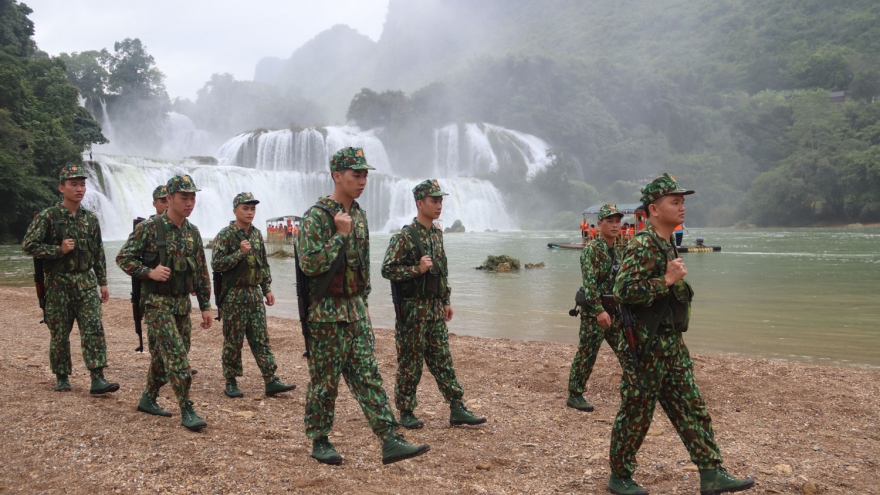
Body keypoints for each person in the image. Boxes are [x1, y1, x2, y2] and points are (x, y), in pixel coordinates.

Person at [608, 174, 753, 495]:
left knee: (692, 407)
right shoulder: (643, 244)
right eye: (675, 202)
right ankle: (619, 476)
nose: (682, 206)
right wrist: (667, 280)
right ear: (655, 210)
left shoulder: (665, 242)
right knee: (636, 413)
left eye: (683, 201)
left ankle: (711, 472)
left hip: (671, 344)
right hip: (646, 347)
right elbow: (623, 291)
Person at [295, 147, 429, 466]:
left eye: (365, 175)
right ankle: (319, 440)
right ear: (337, 176)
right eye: (356, 174)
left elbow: (362, 266)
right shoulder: (317, 216)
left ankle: (389, 438)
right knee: (325, 380)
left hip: (354, 309)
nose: (362, 180)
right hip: (326, 314)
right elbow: (309, 264)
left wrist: (364, 301)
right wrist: (340, 237)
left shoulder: (359, 214)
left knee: (368, 375)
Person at [381, 179, 487, 430]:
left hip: (435, 309)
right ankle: (406, 411)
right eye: (434, 201)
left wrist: (446, 300)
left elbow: (442, 271)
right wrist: (416, 269)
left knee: (442, 359)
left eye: (440, 201)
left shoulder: (437, 235)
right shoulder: (405, 237)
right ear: (420, 203)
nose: (439, 205)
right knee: (410, 363)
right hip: (412, 311)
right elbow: (387, 269)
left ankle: (457, 407)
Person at [116, 174, 212, 431]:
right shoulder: (149, 228)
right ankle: (187, 408)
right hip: (157, 303)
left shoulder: (193, 232)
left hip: (182, 304)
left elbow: (201, 271)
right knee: (177, 356)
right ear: (169, 199)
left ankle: (148, 398)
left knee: (163, 356)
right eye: (184, 198)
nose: (189, 203)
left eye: (193, 197)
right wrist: (149, 272)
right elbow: (123, 258)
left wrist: (205, 306)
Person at [22, 163, 119, 395]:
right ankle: (62, 376)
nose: (79, 189)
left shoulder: (90, 219)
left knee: (93, 328)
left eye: (82, 184)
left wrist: (103, 282)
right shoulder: (48, 217)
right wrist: (58, 250)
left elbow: (97, 252)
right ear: (61, 188)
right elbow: (28, 245)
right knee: (60, 333)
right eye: (73, 184)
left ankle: (98, 378)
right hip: (58, 284)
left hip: (86, 283)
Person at [211, 192, 296, 398]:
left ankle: (270, 379)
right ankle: (230, 381)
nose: (250, 212)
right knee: (233, 340)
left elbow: (263, 264)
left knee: (261, 338)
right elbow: (217, 264)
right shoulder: (226, 235)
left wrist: (266, 288)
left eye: (252, 209)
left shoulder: (257, 234)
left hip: (254, 294)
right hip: (234, 295)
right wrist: (240, 252)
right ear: (235, 211)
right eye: (245, 208)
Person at [566, 204, 626, 412]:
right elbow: (589, 283)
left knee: (627, 351)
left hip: (614, 312)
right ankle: (574, 394)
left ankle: (633, 393)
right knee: (587, 353)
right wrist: (599, 310)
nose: (615, 225)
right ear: (599, 224)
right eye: (609, 221)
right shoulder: (593, 249)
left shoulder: (616, 251)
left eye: (617, 221)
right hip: (595, 313)